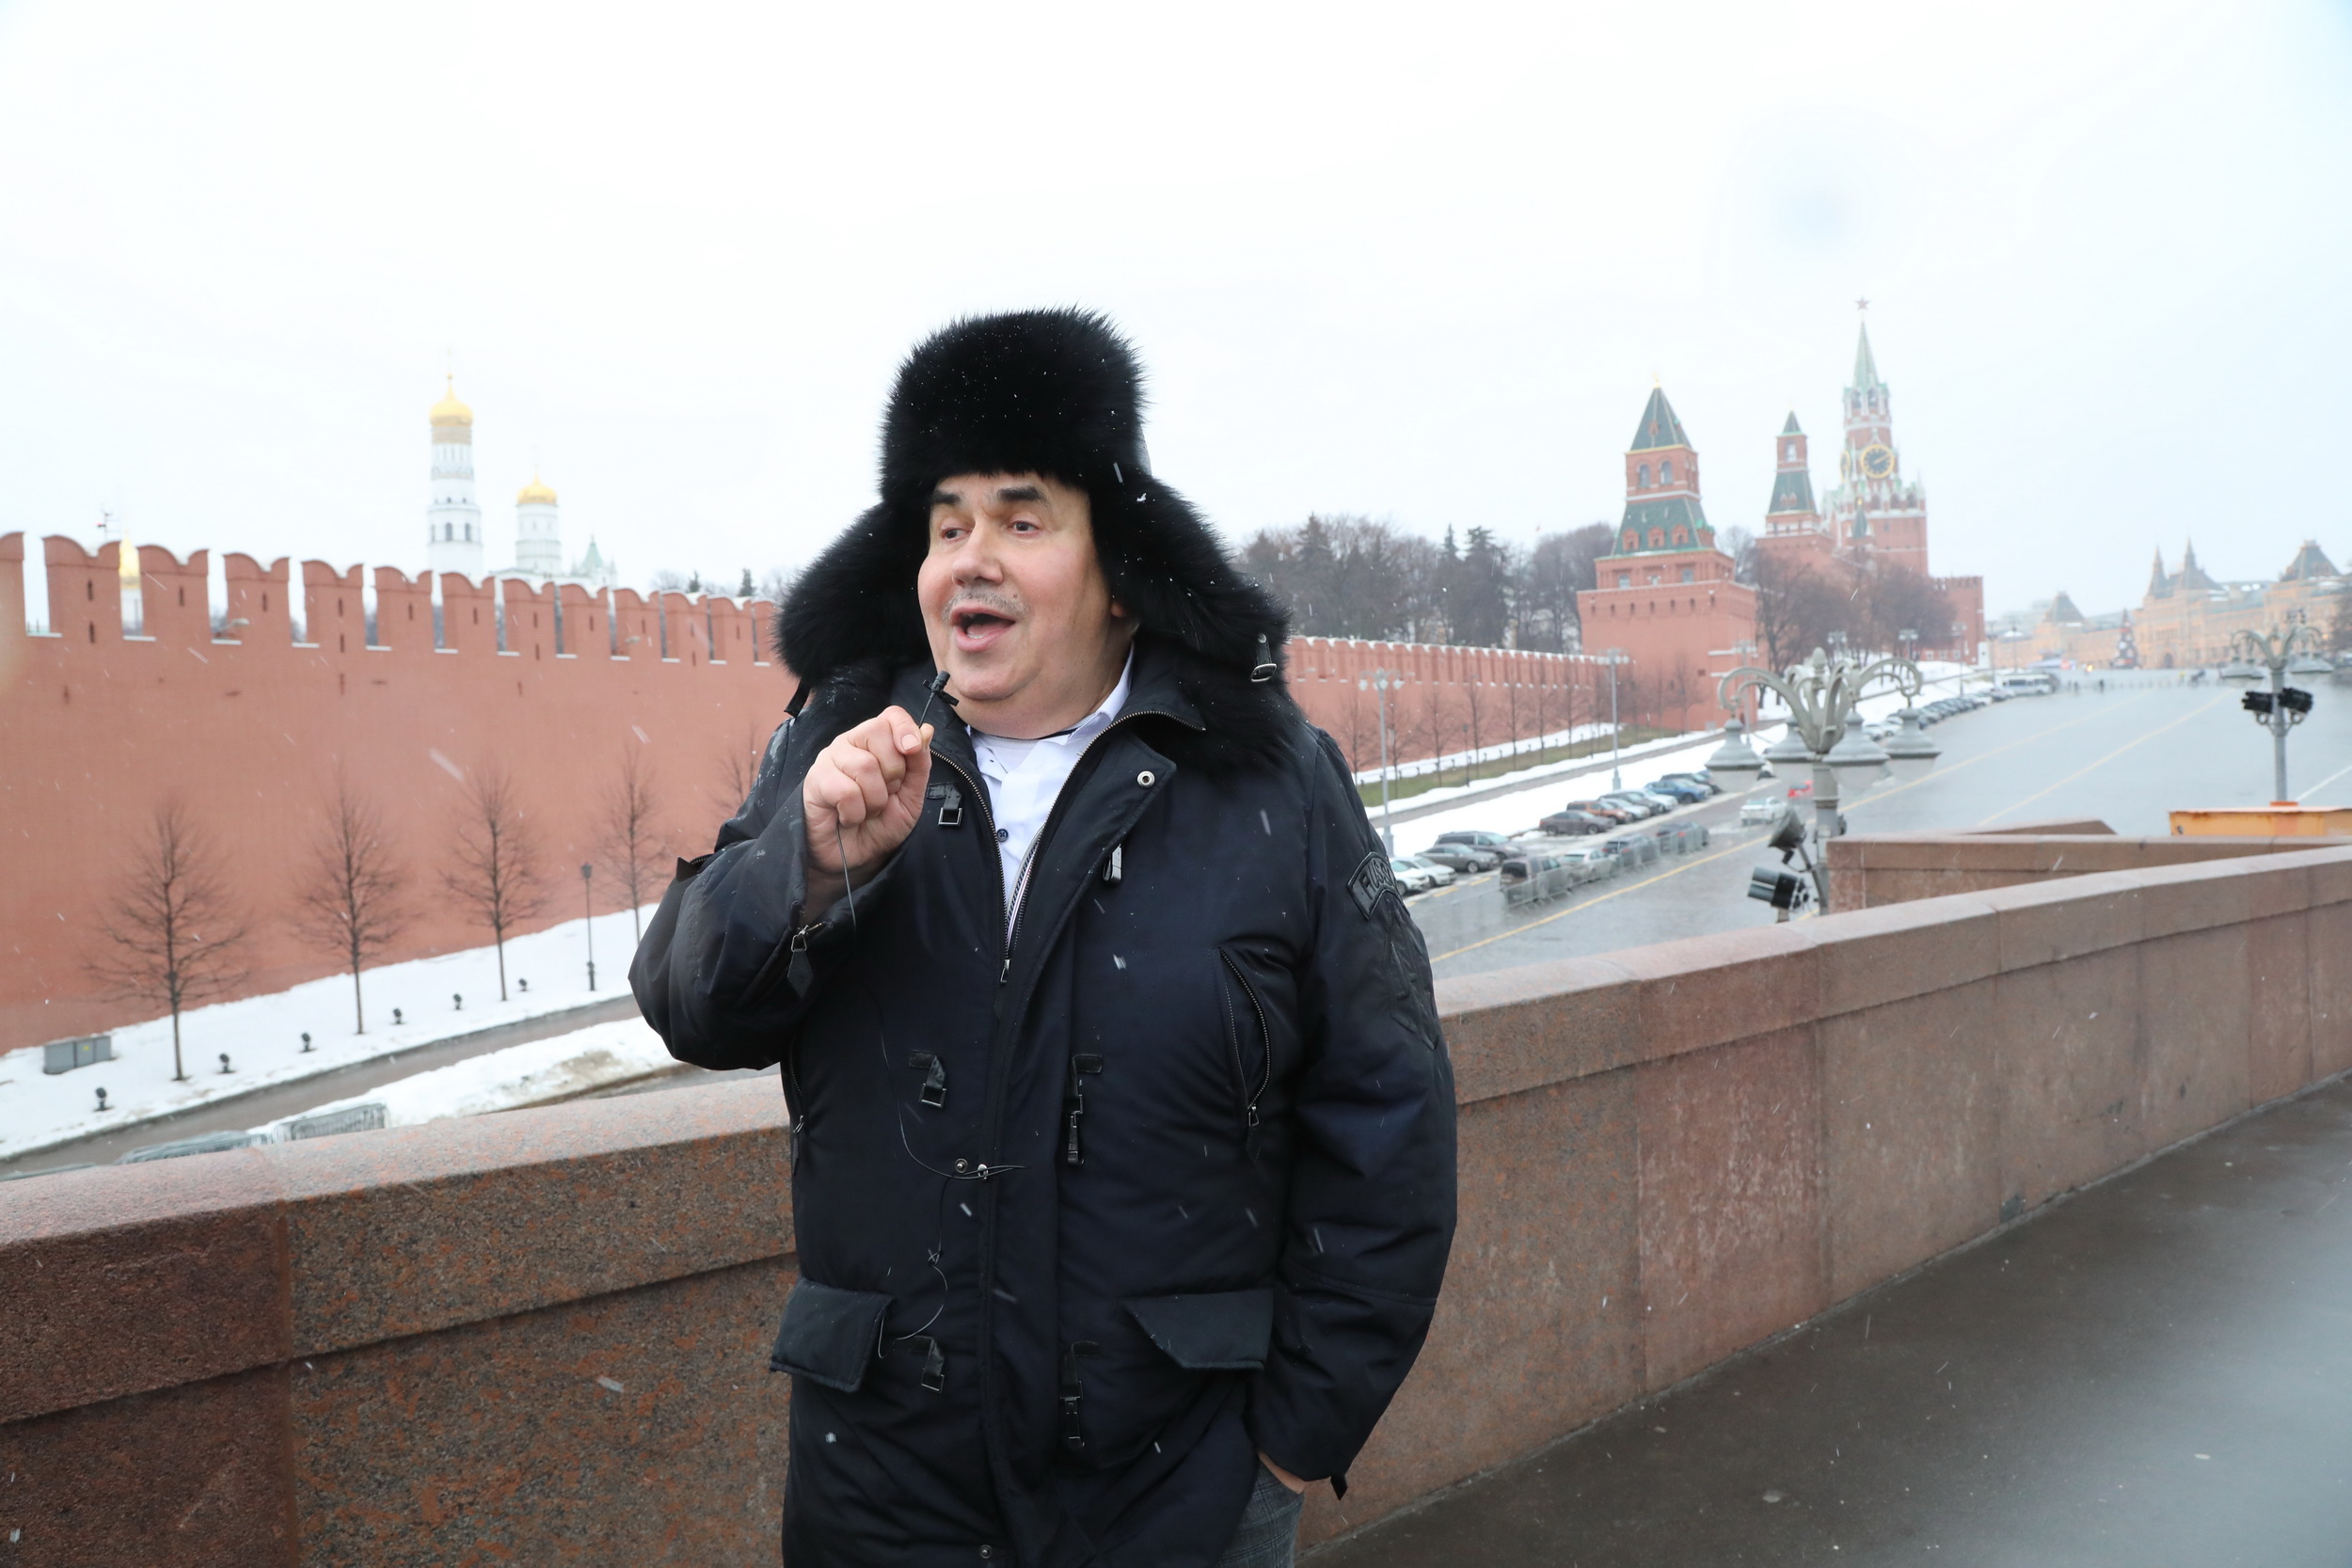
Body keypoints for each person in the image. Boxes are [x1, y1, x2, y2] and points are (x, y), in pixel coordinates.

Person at [631, 309, 1456, 1568]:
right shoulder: (843, 744)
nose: (973, 559)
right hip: (887, 1497)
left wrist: (1288, 1443)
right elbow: (690, 1003)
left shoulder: (1269, 782)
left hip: (1175, 1493)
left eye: (1023, 522)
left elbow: (1389, 1118)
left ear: (1118, 567)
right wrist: (810, 865)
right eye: (946, 525)